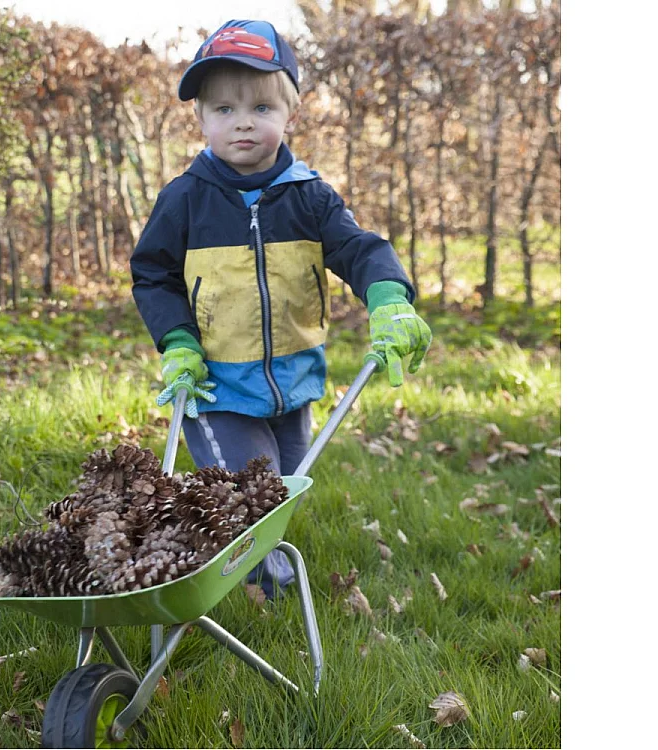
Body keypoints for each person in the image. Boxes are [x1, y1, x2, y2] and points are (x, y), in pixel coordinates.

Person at [130, 19, 432, 599]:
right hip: (215, 386)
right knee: (252, 494)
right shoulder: (185, 199)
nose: (243, 121)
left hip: (293, 384)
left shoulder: (309, 195)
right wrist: (178, 343)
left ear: (289, 113)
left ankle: (252, 573)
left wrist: (389, 297)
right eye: (223, 109)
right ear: (200, 119)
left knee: (283, 490)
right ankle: (263, 595)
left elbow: (359, 248)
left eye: (262, 107)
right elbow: (153, 275)